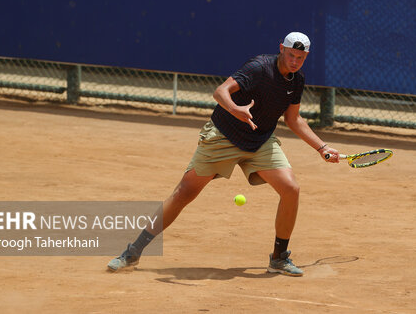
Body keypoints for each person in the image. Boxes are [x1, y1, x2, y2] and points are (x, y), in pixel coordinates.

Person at [107, 32, 339, 276]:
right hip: (223, 136)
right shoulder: (258, 67)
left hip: (259, 141)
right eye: (291, 55)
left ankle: (279, 258)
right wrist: (235, 109)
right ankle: (133, 251)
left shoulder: (297, 80)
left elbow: (293, 119)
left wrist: (321, 147)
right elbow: (220, 92)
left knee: (291, 189)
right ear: (281, 48)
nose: (294, 61)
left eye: (300, 58)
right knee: (183, 193)